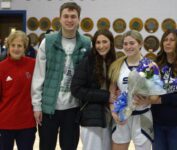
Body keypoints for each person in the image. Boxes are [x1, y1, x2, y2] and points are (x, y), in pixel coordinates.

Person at [31, 2, 91, 150]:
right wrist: (37, 105)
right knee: (46, 146)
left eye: (73, 16)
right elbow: (39, 75)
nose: (69, 20)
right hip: (49, 108)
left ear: (78, 19)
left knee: (70, 147)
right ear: (60, 18)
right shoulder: (48, 42)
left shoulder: (86, 43)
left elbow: (90, 76)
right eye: (66, 16)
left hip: (73, 108)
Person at [70, 29, 116, 150]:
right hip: (91, 117)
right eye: (98, 42)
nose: (101, 46)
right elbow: (76, 89)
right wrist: (105, 96)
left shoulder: (113, 61)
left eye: (104, 42)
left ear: (111, 43)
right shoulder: (87, 61)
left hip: (108, 116)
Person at [108, 30, 153, 150]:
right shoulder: (116, 65)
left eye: (132, 43)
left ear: (140, 44)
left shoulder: (149, 66)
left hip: (143, 116)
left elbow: (156, 96)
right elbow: (111, 95)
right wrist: (113, 112)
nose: (128, 47)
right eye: (125, 44)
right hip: (121, 115)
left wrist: (146, 100)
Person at [0, 30, 36, 150]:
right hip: (4, 123)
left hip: (27, 123)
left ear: (25, 47)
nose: (16, 49)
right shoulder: (1, 67)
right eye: (13, 45)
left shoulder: (34, 65)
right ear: (8, 46)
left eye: (19, 45)